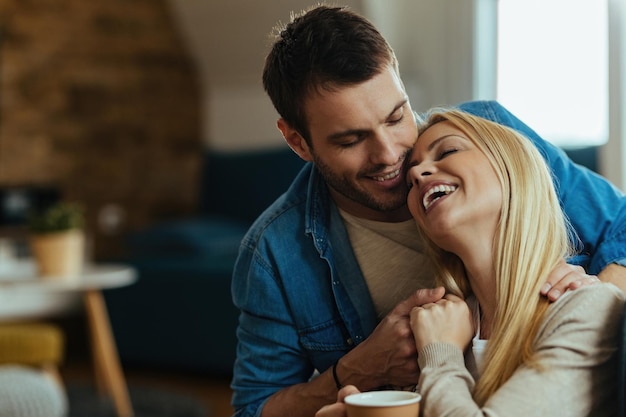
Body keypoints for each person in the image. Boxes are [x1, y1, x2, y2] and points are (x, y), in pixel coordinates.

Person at [231, 5, 626, 417]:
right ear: (298, 142)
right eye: (351, 140)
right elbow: (254, 409)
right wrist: (358, 371)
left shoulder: (486, 136)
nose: (393, 158)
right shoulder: (274, 252)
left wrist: (591, 305)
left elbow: (622, 225)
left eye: (397, 116)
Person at [315, 109, 625, 417]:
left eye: (448, 150)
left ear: (512, 168)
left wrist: (441, 356)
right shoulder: (441, 325)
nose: (416, 173)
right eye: (411, 177)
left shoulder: (588, 305)